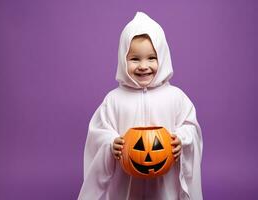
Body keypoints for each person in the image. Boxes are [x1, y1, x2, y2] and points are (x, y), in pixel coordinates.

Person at [78, 11, 203, 200]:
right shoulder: (113, 100)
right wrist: (111, 142)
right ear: (123, 59)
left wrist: (183, 139)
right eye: (135, 59)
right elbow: (98, 134)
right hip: (127, 187)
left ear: (162, 57)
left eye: (151, 58)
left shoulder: (176, 98)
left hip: (165, 186)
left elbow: (191, 128)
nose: (143, 66)